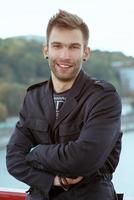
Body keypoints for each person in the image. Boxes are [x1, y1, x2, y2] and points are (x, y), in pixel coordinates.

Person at [6, 10, 123, 200]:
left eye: (74, 47)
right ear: (46, 50)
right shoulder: (33, 97)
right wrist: (54, 180)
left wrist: (36, 153)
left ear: (85, 52)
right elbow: (13, 160)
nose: (65, 55)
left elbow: (83, 159)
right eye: (57, 46)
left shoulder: (103, 97)